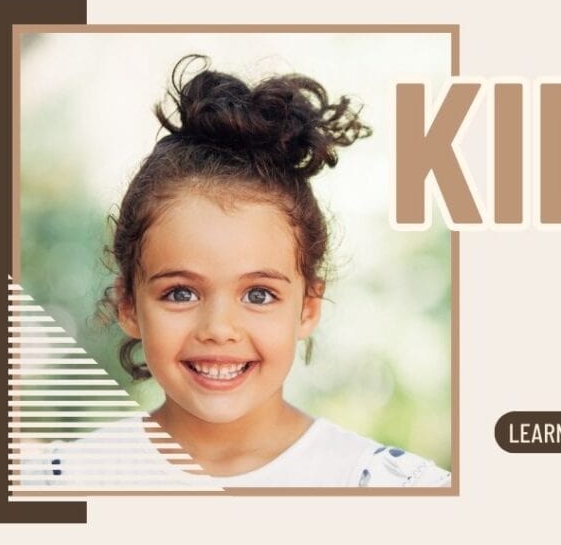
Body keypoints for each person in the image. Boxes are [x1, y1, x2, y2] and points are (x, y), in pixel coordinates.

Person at [34, 55, 449, 488]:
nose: (219, 329)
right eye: (180, 293)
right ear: (128, 305)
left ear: (307, 307)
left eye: (258, 294)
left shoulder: (394, 489)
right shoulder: (57, 486)